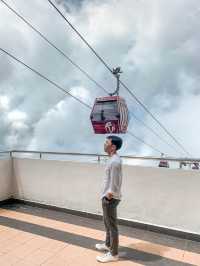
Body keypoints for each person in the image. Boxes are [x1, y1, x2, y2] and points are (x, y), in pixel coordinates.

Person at [96, 135, 123, 263]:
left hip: (110, 199)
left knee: (112, 227)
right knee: (107, 224)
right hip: (107, 197)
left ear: (113, 147)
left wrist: (108, 196)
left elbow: (115, 183)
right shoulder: (112, 159)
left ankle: (114, 254)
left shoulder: (115, 162)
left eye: (107, 142)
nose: (104, 144)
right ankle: (108, 244)